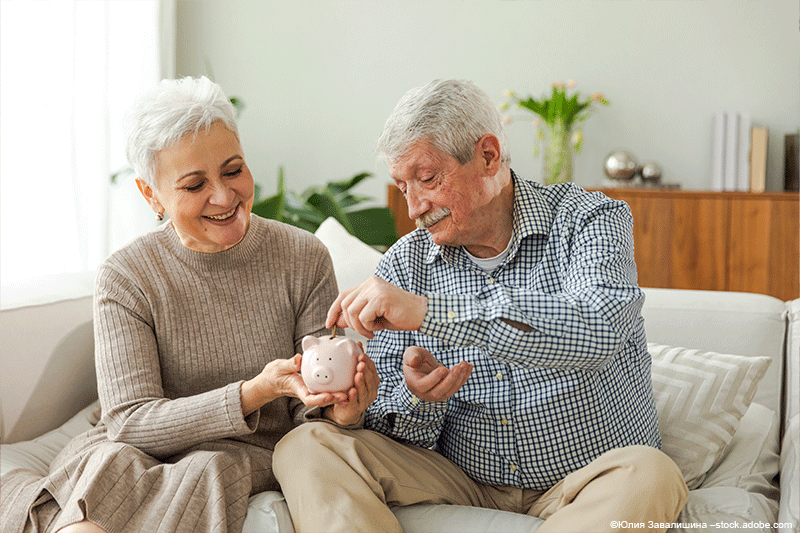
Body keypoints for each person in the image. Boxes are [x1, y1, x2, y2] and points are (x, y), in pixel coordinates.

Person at [273, 79, 689, 533]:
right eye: (402, 186)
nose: (413, 207)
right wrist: (415, 400)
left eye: (427, 179)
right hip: (463, 478)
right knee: (306, 447)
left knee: (652, 474)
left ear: (488, 156)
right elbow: (403, 435)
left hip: (587, 478)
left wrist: (434, 313)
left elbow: (598, 330)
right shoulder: (405, 264)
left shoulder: (590, 220)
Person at [0, 76, 367, 533]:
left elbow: (312, 412)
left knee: (207, 470)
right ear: (151, 195)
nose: (223, 196)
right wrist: (253, 391)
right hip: (136, 450)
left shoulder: (303, 257)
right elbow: (129, 423)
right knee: (106, 472)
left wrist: (344, 410)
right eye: (194, 184)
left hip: (241, 455)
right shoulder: (127, 275)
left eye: (233, 170)